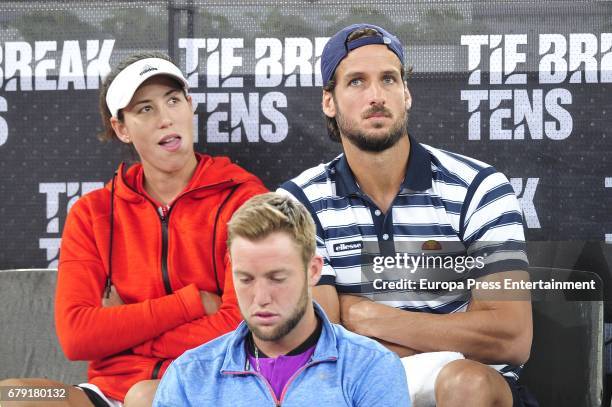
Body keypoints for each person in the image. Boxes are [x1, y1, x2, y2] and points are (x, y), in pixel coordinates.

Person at [278, 23, 537, 407]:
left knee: (465, 383)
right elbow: (320, 346)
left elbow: (511, 337)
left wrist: (364, 315)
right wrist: (443, 337)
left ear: (406, 93)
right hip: (356, 390)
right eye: (356, 82)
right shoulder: (298, 202)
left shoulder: (478, 187)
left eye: (388, 79)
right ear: (328, 101)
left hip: (462, 383)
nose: (376, 95)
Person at [0, 53, 267, 406]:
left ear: (189, 107)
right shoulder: (93, 212)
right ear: (121, 128)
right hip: (108, 392)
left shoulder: (244, 199)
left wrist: (121, 331)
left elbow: (242, 325)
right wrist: (190, 303)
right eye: (145, 109)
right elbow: (77, 335)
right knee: (14, 394)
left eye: (172, 101)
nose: (165, 119)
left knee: (146, 398)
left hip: (211, 382)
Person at [152, 192, 410, 406]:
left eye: (277, 278)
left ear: (313, 271)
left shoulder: (370, 367)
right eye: (246, 279)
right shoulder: (189, 375)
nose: (261, 298)